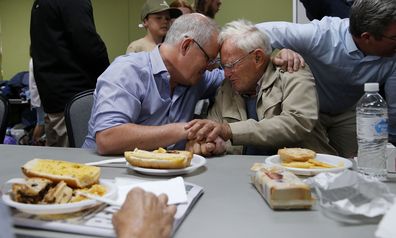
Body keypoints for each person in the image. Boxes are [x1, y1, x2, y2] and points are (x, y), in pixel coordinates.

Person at [256, 0, 396, 157]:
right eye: (394, 37)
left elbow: (394, 108)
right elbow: (256, 33)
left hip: (349, 111)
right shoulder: (321, 35)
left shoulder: (392, 55)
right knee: (316, 165)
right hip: (311, 111)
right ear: (367, 37)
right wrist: (274, 55)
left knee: (359, 165)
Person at [186, 20, 336, 156]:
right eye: (223, 66)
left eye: (231, 65)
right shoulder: (227, 88)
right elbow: (215, 130)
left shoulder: (292, 72)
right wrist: (210, 143)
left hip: (306, 172)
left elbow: (297, 122)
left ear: (258, 58)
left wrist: (229, 130)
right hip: (245, 174)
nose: (226, 74)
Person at [82, 13, 223, 155]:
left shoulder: (197, 78)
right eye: (209, 59)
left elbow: (233, 73)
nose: (210, 67)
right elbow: (108, 139)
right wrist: (186, 130)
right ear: (186, 46)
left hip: (165, 172)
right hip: (104, 169)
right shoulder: (128, 71)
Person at [30, 0, 109, 147]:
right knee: (79, 163)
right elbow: (89, 46)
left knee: (56, 164)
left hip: (52, 99)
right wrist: (110, 78)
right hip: (75, 102)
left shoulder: (40, 3)